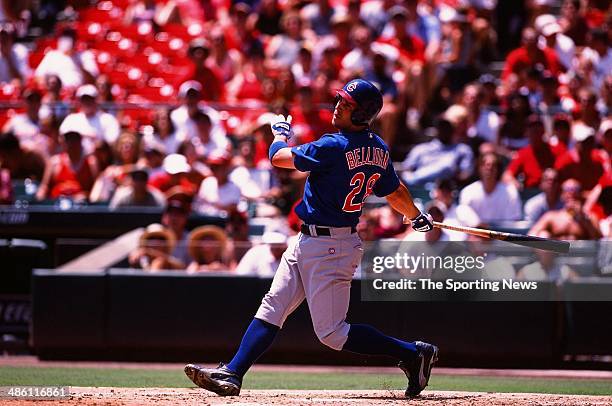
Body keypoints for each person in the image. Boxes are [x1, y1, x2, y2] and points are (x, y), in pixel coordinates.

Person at [184, 79, 438, 398]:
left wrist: (279, 135)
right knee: (273, 306)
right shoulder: (378, 147)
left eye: (346, 105)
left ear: (362, 114)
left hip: (330, 246)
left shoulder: (334, 145)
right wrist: (415, 215)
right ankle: (232, 373)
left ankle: (413, 353)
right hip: (310, 240)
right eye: (340, 101)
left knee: (332, 333)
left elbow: (279, 158)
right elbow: (395, 191)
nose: (337, 107)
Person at [459, 152, 522, 223]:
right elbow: (464, 217)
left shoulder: (511, 192)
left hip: (502, 233)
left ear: (498, 169)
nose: (489, 168)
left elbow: (513, 221)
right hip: (475, 232)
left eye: (493, 165)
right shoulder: (468, 192)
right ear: (479, 168)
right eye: (484, 164)